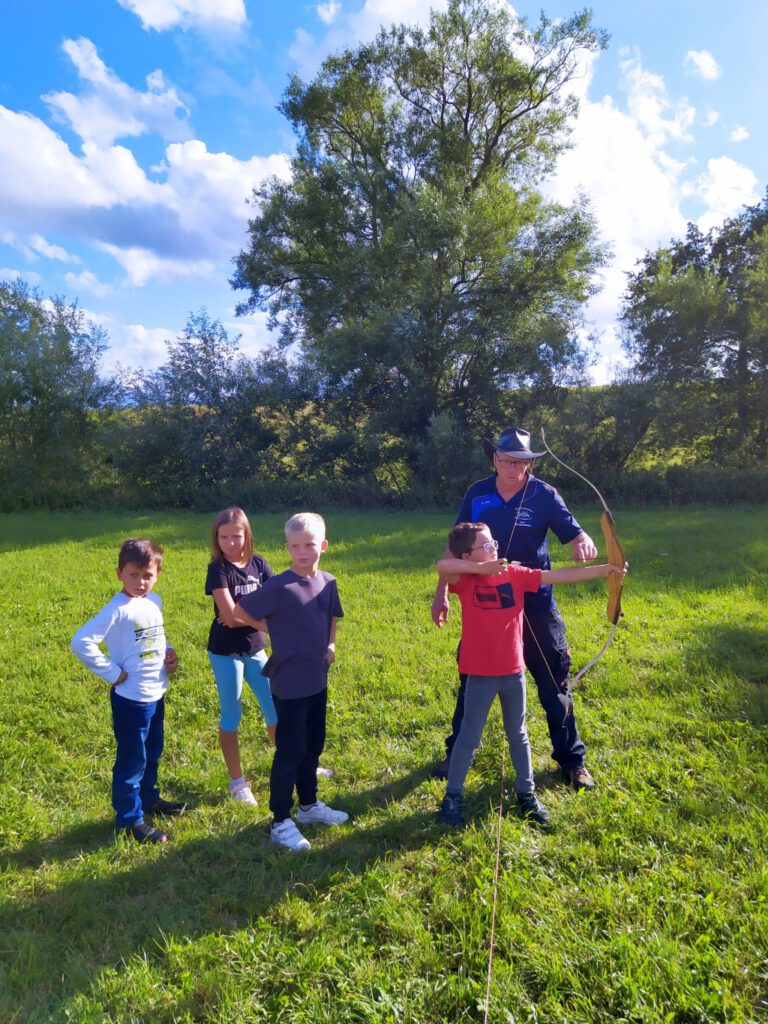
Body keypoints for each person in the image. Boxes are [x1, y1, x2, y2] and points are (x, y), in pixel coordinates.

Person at [432, 427, 600, 790]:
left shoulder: (544, 495)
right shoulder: (477, 493)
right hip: (486, 606)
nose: (514, 468)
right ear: (494, 459)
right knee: (472, 679)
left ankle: (572, 761)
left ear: (530, 462)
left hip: (535, 602)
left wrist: (583, 543)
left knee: (555, 683)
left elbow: (576, 534)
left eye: (522, 462)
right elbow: (454, 548)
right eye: (506, 460)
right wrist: (441, 592)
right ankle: (458, 751)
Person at [436, 522, 626, 827]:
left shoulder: (514, 573)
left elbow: (557, 575)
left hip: (513, 671)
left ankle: (526, 794)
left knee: (519, 735)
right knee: (468, 737)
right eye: (485, 546)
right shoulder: (466, 579)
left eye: (494, 542)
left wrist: (605, 569)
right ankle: (453, 796)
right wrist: (482, 571)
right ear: (467, 556)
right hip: (480, 673)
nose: (494, 548)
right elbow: (442, 565)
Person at [232, 513, 348, 852]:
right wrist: (272, 628)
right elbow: (239, 611)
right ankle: (280, 819)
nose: (302, 551)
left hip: (317, 678)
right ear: (287, 548)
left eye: (309, 545)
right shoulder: (280, 586)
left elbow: (331, 616)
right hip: (289, 683)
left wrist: (331, 643)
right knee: (290, 751)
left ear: (323, 546)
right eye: (295, 546)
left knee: (314, 745)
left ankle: (309, 805)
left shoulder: (327, 581)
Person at [70, 538, 184, 844]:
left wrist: (169, 654)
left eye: (147, 575)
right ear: (120, 573)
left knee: (153, 752)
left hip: (156, 692)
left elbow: (154, 637)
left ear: (158, 574)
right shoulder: (117, 609)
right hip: (132, 700)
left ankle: (150, 800)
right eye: (133, 575)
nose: (140, 581)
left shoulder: (153, 602)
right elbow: (81, 642)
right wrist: (112, 672)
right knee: (133, 759)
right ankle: (129, 819)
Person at [205, 507, 278, 807]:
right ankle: (238, 782)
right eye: (224, 537)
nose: (231, 542)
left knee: (275, 707)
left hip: (256, 649)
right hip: (225, 652)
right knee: (232, 711)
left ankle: (295, 763)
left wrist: (243, 615)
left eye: (237, 536)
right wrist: (266, 623)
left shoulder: (259, 564)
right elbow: (228, 616)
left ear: (246, 534)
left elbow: (276, 601)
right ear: (217, 539)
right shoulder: (218, 568)